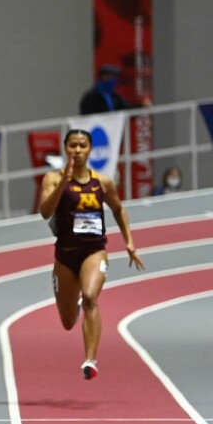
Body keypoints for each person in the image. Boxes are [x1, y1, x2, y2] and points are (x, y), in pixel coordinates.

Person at [39, 129, 144, 380]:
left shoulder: (102, 182)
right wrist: (64, 181)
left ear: (89, 149)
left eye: (82, 145)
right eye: (72, 145)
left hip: (94, 252)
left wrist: (129, 241)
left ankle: (90, 360)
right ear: (66, 149)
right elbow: (45, 212)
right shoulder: (52, 179)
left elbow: (119, 210)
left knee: (89, 297)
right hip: (64, 255)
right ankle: (74, 303)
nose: (77, 150)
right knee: (67, 322)